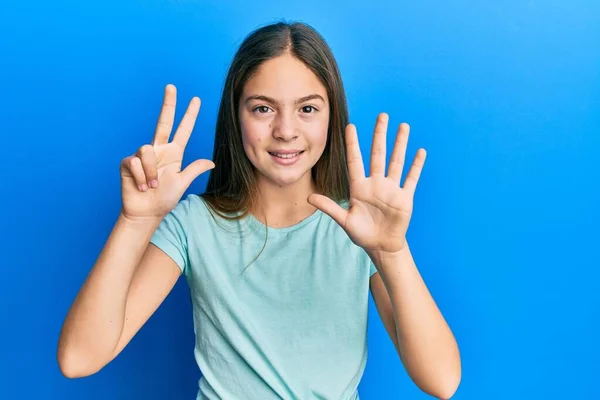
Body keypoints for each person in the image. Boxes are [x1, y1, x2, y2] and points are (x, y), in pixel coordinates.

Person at [57, 21, 461, 400]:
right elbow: (79, 359)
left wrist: (391, 252)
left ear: (331, 116)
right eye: (263, 108)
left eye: (307, 108)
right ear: (236, 117)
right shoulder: (194, 224)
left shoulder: (360, 230)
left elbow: (442, 380)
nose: (285, 130)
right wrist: (137, 221)